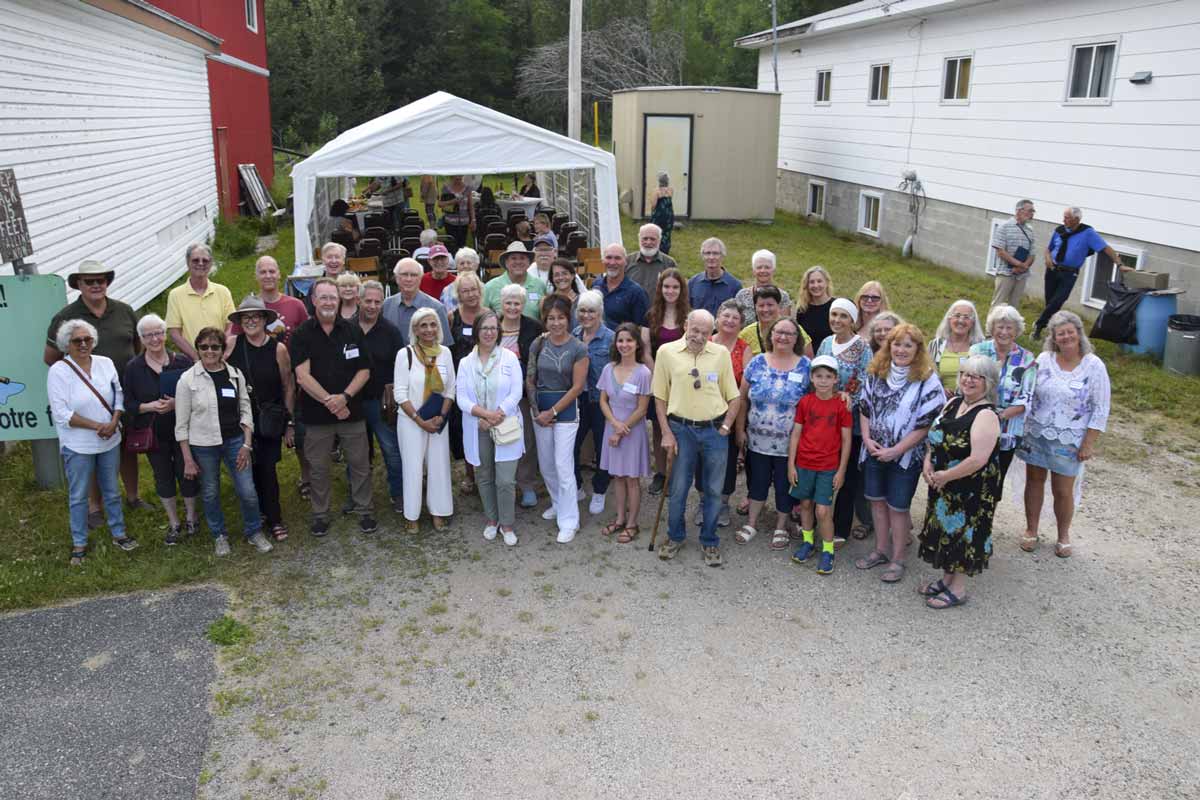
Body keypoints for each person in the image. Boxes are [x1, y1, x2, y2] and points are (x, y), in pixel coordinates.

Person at [45, 259, 144, 520]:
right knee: (91, 450)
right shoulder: (66, 317)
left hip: (124, 393)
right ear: (78, 284)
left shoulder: (124, 310)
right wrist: (75, 380)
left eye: (101, 280)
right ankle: (94, 507)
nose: (96, 285)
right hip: (88, 398)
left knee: (126, 447)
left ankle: (133, 496)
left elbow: (137, 347)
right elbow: (50, 356)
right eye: (89, 281)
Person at [854, 323, 945, 584]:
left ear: (917, 349)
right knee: (877, 503)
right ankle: (880, 550)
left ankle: (898, 559)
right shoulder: (876, 372)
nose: (901, 349)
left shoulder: (927, 379)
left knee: (898, 507)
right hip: (874, 451)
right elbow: (864, 408)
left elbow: (927, 423)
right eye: (897, 343)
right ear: (888, 346)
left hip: (905, 456)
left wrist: (897, 450)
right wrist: (868, 440)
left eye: (908, 345)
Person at [653, 310, 741, 567]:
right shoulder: (666, 352)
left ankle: (710, 540)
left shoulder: (720, 353)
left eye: (705, 332)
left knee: (714, 489)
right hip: (681, 429)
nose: (699, 337)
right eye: (695, 331)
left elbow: (734, 396)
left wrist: (726, 426)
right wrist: (666, 433)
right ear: (685, 325)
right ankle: (675, 536)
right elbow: (659, 397)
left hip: (714, 430)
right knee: (679, 488)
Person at [1018, 310, 1109, 558]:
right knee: (1034, 481)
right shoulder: (1044, 359)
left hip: (1070, 438)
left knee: (1063, 489)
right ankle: (1031, 529)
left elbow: (1101, 408)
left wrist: (1088, 443)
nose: (1066, 337)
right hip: (1036, 432)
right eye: (1061, 334)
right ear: (1054, 338)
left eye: (1070, 332)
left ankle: (1063, 535)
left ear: (1079, 334)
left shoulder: (1094, 366)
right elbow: (1026, 390)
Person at [289, 278, 375, 537]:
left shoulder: (352, 331)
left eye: (332, 297)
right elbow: (302, 376)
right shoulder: (302, 334)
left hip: (352, 410)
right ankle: (320, 514)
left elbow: (365, 370)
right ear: (313, 301)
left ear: (339, 300)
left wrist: (345, 398)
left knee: (360, 463)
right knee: (318, 467)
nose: (328, 302)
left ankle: (364, 510)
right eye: (323, 297)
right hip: (317, 415)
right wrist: (332, 401)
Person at [176, 327, 273, 556]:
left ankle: (254, 532)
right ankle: (219, 535)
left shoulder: (235, 375)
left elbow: (245, 409)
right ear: (198, 349)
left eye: (215, 347)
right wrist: (188, 459)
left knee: (248, 491)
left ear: (222, 349)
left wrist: (247, 444)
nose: (209, 351)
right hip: (204, 445)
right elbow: (181, 425)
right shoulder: (187, 380)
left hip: (235, 442)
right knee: (210, 492)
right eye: (204, 347)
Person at [48, 319, 137, 565]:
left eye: (88, 339)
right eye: (77, 341)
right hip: (78, 445)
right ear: (67, 344)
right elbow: (62, 413)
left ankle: (119, 533)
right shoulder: (58, 371)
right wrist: (98, 426)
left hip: (110, 439)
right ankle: (79, 542)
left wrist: (114, 419)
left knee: (111, 489)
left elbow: (119, 394)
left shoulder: (105, 363)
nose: (84, 344)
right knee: (78, 495)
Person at [917, 355, 1002, 609]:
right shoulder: (953, 402)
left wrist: (945, 476)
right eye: (965, 374)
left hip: (970, 488)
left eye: (976, 376)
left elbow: (978, 459)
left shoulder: (986, 415)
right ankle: (946, 578)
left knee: (965, 534)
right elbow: (935, 436)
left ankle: (958, 588)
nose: (968, 380)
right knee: (945, 531)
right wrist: (928, 463)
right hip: (943, 484)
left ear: (988, 383)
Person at [735, 317, 811, 550]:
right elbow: (741, 398)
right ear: (771, 335)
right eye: (779, 332)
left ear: (796, 338)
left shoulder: (806, 366)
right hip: (757, 439)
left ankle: (781, 525)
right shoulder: (757, 362)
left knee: (784, 484)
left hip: (790, 442)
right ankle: (752, 523)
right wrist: (739, 429)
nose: (783, 337)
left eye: (789, 333)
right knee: (757, 481)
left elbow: (815, 402)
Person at [123, 313, 198, 544]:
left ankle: (192, 518)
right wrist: (149, 406)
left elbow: (197, 394)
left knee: (187, 473)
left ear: (165, 335)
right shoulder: (134, 368)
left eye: (158, 333)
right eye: (148, 335)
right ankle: (174, 522)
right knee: (162, 475)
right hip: (153, 434)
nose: (154, 339)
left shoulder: (182, 362)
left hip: (183, 430)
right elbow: (128, 404)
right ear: (141, 339)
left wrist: (177, 403)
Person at [226, 298, 296, 543]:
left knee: (267, 469)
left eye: (256, 316)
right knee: (247, 470)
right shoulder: (231, 344)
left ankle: (275, 518)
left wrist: (289, 422)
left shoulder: (278, 349)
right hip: (239, 419)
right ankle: (258, 517)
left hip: (269, 418)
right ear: (240, 322)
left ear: (266, 320)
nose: (251, 321)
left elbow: (288, 386)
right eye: (246, 317)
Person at [456, 309, 524, 546]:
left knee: (505, 479)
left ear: (499, 331)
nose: (489, 332)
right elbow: (462, 398)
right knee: (484, 476)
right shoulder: (466, 363)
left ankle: (507, 523)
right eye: (484, 328)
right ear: (476, 331)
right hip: (479, 426)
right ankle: (492, 520)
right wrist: (484, 415)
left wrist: (498, 414)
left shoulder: (509, 358)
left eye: (493, 328)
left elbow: (517, 391)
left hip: (505, 424)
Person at [526, 295, 588, 544]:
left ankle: (569, 520)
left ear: (568, 318)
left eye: (560, 318)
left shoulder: (578, 348)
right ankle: (557, 503)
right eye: (551, 318)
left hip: (565, 412)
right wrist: (535, 410)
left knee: (563, 466)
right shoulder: (537, 344)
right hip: (539, 412)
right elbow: (530, 378)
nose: (556, 323)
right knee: (547, 465)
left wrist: (551, 413)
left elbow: (577, 387)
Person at [787, 354, 853, 575]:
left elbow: (846, 440)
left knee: (823, 511)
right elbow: (796, 434)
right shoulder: (805, 402)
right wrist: (791, 464)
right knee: (805, 505)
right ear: (812, 378)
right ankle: (807, 541)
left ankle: (827, 549)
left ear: (836, 379)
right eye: (818, 376)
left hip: (828, 466)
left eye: (828, 376)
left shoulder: (841, 405)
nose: (823, 381)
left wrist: (842, 471)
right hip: (804, 463)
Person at [815, 298, 874, 544]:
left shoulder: (861, 346)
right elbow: (816, 371)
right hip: (824, 420)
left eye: (843, 316)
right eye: (834, 315)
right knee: (823, 468)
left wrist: (845, 395)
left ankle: (841, 527)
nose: (837, 320)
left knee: (847, 474)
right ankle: (818, 520)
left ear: (852, 320)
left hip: (848, 420)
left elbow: (864, 377)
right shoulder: (827, 343)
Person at [394, 308, 456, 533]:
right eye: (423, 325)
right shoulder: (405, 354)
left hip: (438, 420)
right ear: (415, 329)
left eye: (433, 325)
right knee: (413, 467)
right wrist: (420, 421)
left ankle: (438, 511)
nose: (429, 329)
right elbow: (400, 394)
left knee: (439, 466)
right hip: (412, 421)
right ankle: (412, 515)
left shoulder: (445, 354)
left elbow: (451, 389)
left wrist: (441, 416)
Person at [970, 304, 1036, 491]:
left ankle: (986, 520)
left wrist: (999, 417)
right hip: (975, 423)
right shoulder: (977, 351)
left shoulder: (1027, 358)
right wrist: (983, 416)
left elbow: (1026, 398)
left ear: (1017, 330)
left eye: (1009, 328)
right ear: (992, 329)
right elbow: (966, 385)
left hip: (1006, 430)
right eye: (1000, 327)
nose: (1004, 332)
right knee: (969, 477)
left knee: (993, 485)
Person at [696, 300, 750, 525]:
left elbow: (743, 392)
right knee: (701, 461)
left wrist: (738, 427)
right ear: (717, 318)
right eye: (725, 316)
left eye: (734, 318)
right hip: (700, 414)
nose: (729, 321)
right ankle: (702, 502)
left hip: (729, 414)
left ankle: (723, 503)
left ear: (741, 324)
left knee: (726, 463)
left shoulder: (744, 349)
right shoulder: (703, 342)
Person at [598, 323, 653, 543]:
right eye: (620, 340)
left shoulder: (643, 373)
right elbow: (603, 400)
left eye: (629, 340)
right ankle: (619, 518)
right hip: (612, 429)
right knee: (617, 477)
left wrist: (621, 431)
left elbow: (642, 408)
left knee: (631, 479)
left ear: (637, 344)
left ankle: (632, 523)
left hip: (632, 433)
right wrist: (614, 424)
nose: (624, 345)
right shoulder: (608, 369)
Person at [354, 280, 406, 513]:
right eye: (368, 301)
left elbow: (402, 366)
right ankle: (359, 497)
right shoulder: (345, 328)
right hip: (352, 402)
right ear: (358, 301)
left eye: (377, 302)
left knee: (391, 450)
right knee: (356, 453)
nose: (372, 306)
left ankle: (399, 493)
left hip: (381, 402)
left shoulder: (390, 332)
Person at [1035, 207, 1124, 340]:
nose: (1063, 220)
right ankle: (1049, 332)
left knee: (1058, 300)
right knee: (1050, 302)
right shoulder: (1059, 231)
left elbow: (1105, 248)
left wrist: (1119, 264)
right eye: (1064, 217)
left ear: (1077, 219)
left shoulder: (1087, 233)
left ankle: (1039, 325)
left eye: (1067, 218)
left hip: (1069, 274)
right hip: (1052, 270)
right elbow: (1049, 248)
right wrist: (1047, 258)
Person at [641, 268, 690, 497]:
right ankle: (661, 473)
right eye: (666, 286)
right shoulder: (650, 315)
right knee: (660, 429)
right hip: (658, 381)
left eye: (675, 287)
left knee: (679, 429)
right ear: (660, 289)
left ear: (682, 290)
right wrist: (660, 376)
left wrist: (677, 377)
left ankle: (676, 474)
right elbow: (645, 351)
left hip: (683, 382)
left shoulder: (688, 317)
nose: (670, 291)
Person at [497, 283, 546, 507]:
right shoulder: (492, 325)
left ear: (523, 305)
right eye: (508, 302)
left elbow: (539, 360)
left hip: (524, 394)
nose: (513, 307)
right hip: (496, 394)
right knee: (499, 438)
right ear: (501, 303)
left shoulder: (533, 327)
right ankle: (501, 485)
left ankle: (527, 485)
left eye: (517, 303)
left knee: (526, 439)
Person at [573, 290, 615, 515]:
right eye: (582, 310)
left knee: (603, 448)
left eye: (591, 311)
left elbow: (618, 372)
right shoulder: (574, 335)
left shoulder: (611, 338)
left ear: (599, 313)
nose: (586, 315)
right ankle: (577, 485)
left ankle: (600, 489)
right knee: (571, 445)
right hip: (577, 400)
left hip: (601, 401)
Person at [449, 272, 486, 493]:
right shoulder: (452, 317)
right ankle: (470, 475)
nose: (471, 294)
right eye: (465, 290)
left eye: (474, 289)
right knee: (465, 430)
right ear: (458, 295)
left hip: (486, 380)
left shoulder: (490, 315)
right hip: (461, 383)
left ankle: (488, 474)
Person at [166, 243, 236, 360]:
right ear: (188, 262)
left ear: (211, 263)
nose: (200, 263)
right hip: (193, 361)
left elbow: (231, 326)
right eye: (195, 260)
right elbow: (175, 333)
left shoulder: (223, 291)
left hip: (221, 358)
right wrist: (196, 356)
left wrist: (219, 351)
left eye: (205, 260)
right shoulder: (175, 295)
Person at [229, 256, 309, 343]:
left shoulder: (296, 305)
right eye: (263, 272)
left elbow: (308, 338)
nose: (268, 276)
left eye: (272, 271)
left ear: (279, 275)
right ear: (256, 276)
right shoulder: (248, 308)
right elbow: (234, 341)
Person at [381, 258, 453, 347]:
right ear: (396, 278)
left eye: (414, 275)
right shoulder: (387, 305)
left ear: (420, 278)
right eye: (404, 274)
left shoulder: (437, 308)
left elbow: (445, 345)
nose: (409, 279)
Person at [928, 299, 985, 396]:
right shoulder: (935, 345)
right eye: (957, 316)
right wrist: (939, 389)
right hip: (939, 399)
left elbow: (986, 379)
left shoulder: (981, 347)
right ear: (949, 319)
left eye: (966, 317)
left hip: (971, 401)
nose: (961, 321)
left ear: (973, 322)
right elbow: (925, 375)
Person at [989, 199, 1037, 310]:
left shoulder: (1030, 231)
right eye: (1030, 210)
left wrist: (1023, 267)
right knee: (998, 304)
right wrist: (1018, 264)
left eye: (1033, 211)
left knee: (1014, 306)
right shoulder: (1004, 227)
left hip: (1021, 275)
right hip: (1005, 273)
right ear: (1019, 211)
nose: (1032, 214)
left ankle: (1012, 327)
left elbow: (1032, 254)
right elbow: (1000, 251)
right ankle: (991, 326)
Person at [739, 285, 810, 358]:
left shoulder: (795, 331)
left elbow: (808, 361)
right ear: (755, 307)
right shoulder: (746, 335)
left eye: (770, 305)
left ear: (778, 306)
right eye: (761, 305)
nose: (765, 309)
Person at [484, 241, 548, 320]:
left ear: (529, 262)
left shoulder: (540, 285)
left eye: (522, 258)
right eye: (513, 258)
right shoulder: (490, 287)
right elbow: (482, 319)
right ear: (506, 262)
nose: (518, 262)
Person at [594, 243, 650, 330]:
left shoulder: (636, 292)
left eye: (617, 258)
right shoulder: (596, 285)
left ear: (625, 262)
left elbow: (643, 328)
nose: (612, 262)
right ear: (603, 260)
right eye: (608, 257)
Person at [687, 237, 742, 317]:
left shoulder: (735, 286)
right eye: (707, 253)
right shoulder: (693, 283)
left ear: (722, 256)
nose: (711, 257)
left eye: (715, 253)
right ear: (702, 256)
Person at [735, 250, 793, 324]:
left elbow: (785, 325)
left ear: (773, 270)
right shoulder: (742, 295)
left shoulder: (783, 296)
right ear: (753, 271)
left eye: (767, 267)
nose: (763, 270)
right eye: (759, 267)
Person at [625, 223, 677, 299]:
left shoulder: (669, 263)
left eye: (653, 239)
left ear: (659, 240)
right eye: (645, 238)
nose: (648, 242)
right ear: (639, 239)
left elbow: (676, 290)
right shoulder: (627, 261)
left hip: (659, 310)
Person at [795, 265, 835, 350]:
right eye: (812, 282)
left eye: (819, 281)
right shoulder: (802, 310)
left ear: (826, 282)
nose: (816, 285)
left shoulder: (836, 307)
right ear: (807, 285)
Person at [439, 175, 475, 250]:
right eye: (456, 177)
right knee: (452, 244)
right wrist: (452, 201)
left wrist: (473, 220)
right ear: (452, 176)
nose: (458, 178)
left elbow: (471, 206)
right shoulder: (446, 188)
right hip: (450, 221)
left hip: (464, 222)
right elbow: (440, 204)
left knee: (462, 245)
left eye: (460, 176)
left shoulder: (467, 188)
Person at [545, 258, 583, 327]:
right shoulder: (546, 301)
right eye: (556, 275)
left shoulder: (582, 300)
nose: (561, 277)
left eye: (564, 273)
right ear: (552, 279)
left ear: (572, 276)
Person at [440, 247, 481, 314]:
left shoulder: (485, 288)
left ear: (476, 266)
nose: (465, 266)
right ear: (457, 266)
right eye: (462, 263)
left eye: (469, 263)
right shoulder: (447, 290)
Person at [649, 172, 675, 255]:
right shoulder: (671, 190)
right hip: (669, 214)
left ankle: (656, 248)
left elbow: (653, 204)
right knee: (667, 232)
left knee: (656, 231)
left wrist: (652, 212)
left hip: (659, 215)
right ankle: (665, 249)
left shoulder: (656, 191)